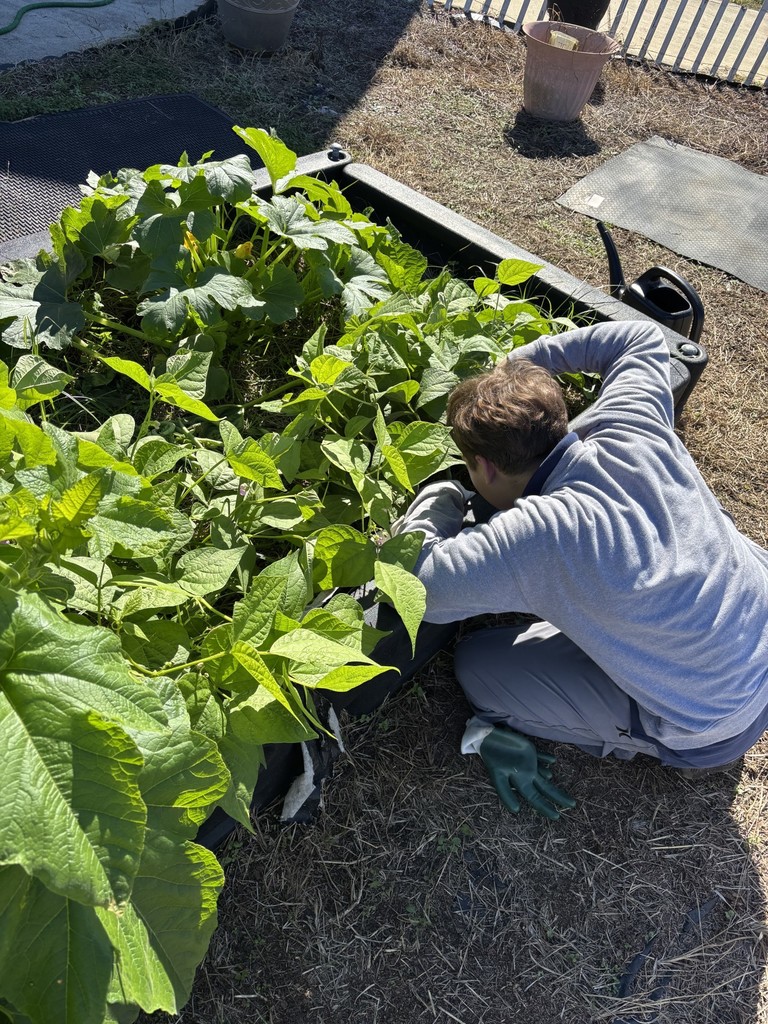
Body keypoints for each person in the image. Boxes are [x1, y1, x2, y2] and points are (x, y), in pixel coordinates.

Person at [393, 321, 768, 819]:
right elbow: (642, 338)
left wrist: (439, 493)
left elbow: (423, 589)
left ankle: (648, 736)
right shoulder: (627, 422)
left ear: (483, 467)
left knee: (481, 670)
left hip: (715, 722)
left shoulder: (540, 535)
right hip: (752, 632)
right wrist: (518, 363)